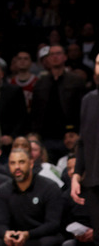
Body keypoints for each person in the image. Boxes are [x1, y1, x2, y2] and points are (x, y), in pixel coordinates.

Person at [0, 147, 64, 246]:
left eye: (21, 162)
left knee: (48, 242)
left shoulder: (49, 187)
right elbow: (1, 223)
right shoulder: (3, 190)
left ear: (31, 163)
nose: (17, 166)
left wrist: (28, 234)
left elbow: (53, 224)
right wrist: (6, 233)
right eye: (12, 163)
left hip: (41, 236)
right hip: (16, 237)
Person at [71, 52, 99, 245]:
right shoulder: (88, 100)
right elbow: (83, 140)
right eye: (98, 63)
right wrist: (76, 174)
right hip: (94, 182)